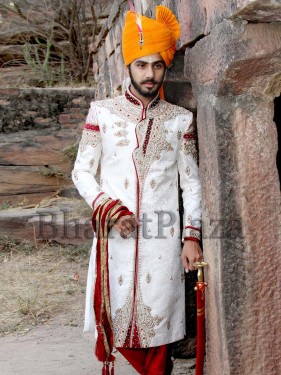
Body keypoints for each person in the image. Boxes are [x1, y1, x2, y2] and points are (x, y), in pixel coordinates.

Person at [72, 4, 202, 375]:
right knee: (117, 318)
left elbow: (192, 183)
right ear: (128, 65)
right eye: (142, 65)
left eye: (157, 65)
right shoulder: (102, 112)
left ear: (165, 67)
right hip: (116, 235)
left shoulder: (181, 120)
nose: (150, 74)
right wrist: (108, 208)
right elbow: (81, 171)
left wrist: (191, 237)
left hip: (164, 241)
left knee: (160, 321)